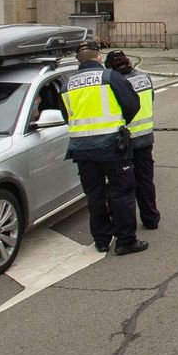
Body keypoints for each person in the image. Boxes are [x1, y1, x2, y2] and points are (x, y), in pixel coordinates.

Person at [62, 40, 148, 255]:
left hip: (82, 149)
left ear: (78, 60)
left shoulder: (67, 84)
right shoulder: (110, 77)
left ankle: (101, 240)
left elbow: (67, 116)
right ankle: (125, 241)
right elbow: (132, 104)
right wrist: (120, 124)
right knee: (122, 192)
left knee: (94, 195)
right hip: (113, 147)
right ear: (99, 57)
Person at [105, 49, 159, 230]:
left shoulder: (114, 83)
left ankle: (121, 224)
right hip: (145, 138)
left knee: (122, 186)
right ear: (127, 61)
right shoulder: (145, 78)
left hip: (124, 141)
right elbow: (150, 100)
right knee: (145, 181)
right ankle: (151, 219)